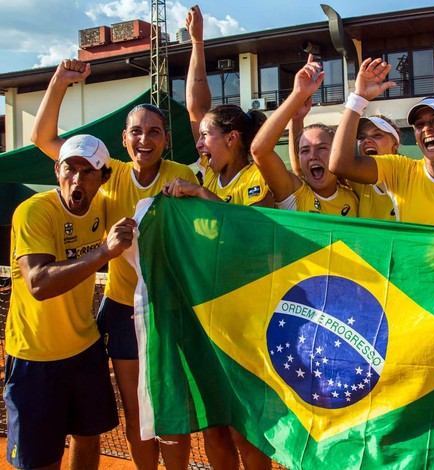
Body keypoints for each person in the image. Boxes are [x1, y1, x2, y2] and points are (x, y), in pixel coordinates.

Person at [31, 59, 196, 470]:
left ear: (166, 139)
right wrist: (59, 82)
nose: (145, 139)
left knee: (170, 411)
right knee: (137, 414)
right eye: (136, 131)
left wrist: (194, 193)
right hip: (122, 309)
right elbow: (43, 138)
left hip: (171, 311)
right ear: (124, 139)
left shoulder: (183, 175)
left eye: (153, 131)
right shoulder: (106, 175)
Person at [162, 7, 273, 470]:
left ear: (232, 138)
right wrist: (198, 43)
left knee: (246, 423)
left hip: (248, 314)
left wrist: (200, 193)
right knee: (213, 424)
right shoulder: (210, 167)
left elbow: (247, 232)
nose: (198, 142)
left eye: (207, 135)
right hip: (207, 311)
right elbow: (195, 104)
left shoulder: (254, 175)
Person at [5, 134, 136, 470]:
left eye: (88, 171)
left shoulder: (103, 207)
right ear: (56, 171)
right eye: (70, 169)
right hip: (35, 357)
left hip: (84, 350)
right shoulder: (34, 211)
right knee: (40, 460)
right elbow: (39, 282)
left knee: (89, 438)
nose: (77, 179)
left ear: (104, 178)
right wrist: (104, 252)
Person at [329, 57, 434, 228]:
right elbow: (340, 165)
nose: (426, 129)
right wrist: (358, 99)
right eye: (419, 124)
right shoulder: (401, 171)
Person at [251, 55, 358, 217]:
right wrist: (298, 94)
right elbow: (260, 151)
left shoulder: (353, 197)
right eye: (305, 151)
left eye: (322, 148)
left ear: (337, 152)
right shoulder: (294, 194)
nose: (313, 156)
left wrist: (297, 118)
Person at [288, 94, 396, 220]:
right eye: (361, 137)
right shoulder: (356, 182)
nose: (367, 140)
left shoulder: (410, 176)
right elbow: (301, 168)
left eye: (377, 135)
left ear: (395, 144)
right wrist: (296, 120)